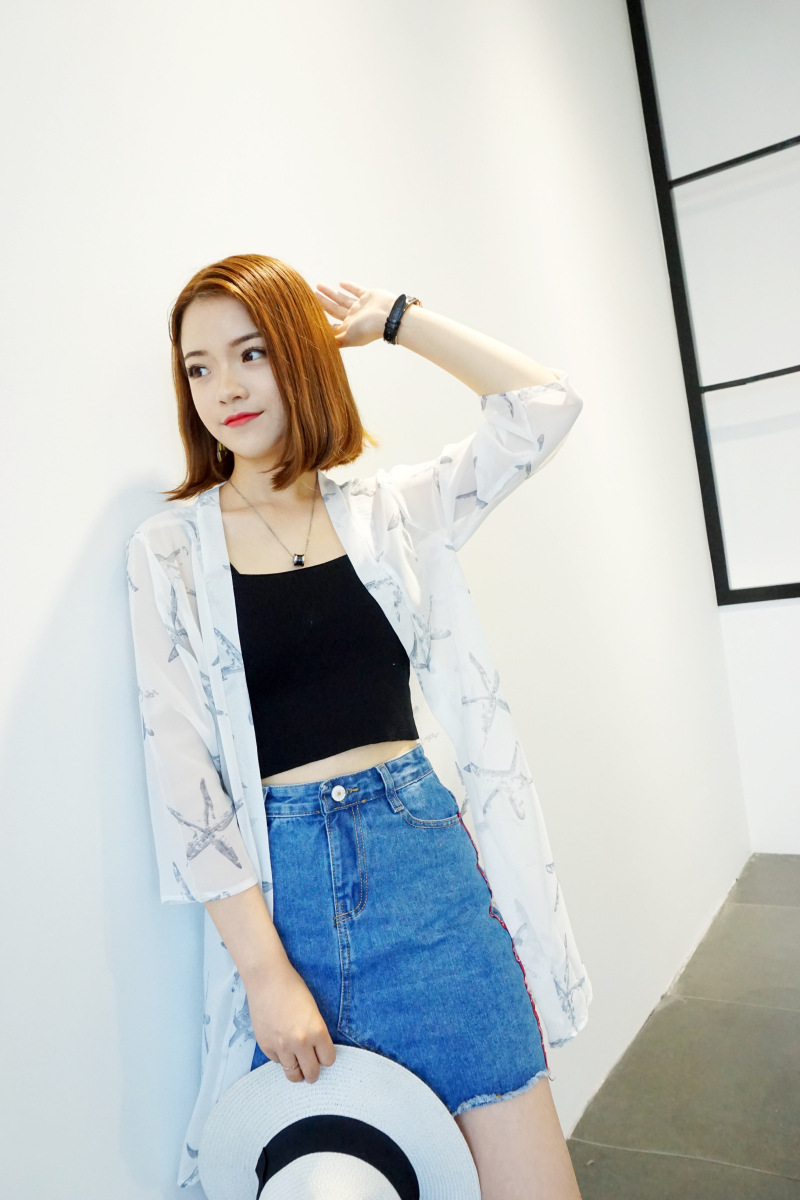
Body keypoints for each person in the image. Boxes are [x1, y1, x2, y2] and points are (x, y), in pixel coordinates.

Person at [125, 253, 590, 1197]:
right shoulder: (168, 551)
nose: (224, 388)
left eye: (252, 353)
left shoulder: (393, 511)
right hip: (286, 903)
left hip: (429, 882)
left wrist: (398, 319)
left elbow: (543, 407)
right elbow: (186, 780)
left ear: (302, 355)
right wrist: (265, 974)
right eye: (199, 368)